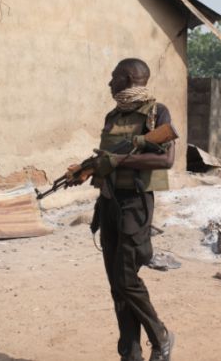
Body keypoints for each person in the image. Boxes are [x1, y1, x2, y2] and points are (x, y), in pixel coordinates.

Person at [68, 58, 175, 361]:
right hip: (109, 203)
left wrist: (119, 161)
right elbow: (107, 157)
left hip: (135, 204)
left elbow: (165, 160)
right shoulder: (113, 116)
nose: (109, 83)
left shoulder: (156, 113)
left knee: (127, 279)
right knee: (117, 286)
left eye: (114, 77)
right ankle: (130, 355)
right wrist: (87, 171)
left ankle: (161, 335)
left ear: (127, 78)